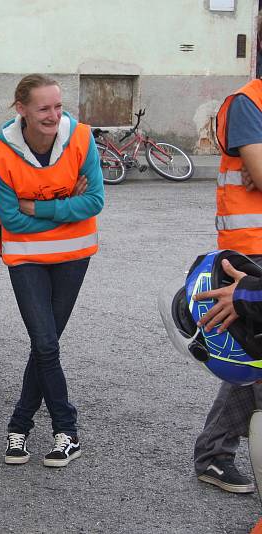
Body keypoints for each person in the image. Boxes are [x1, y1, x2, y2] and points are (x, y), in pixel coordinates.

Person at [0, 74, 104, 467]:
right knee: (46, 344)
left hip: (73, 258)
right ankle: (67, 430)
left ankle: (19, 429)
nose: (53, 115)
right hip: (27, 260)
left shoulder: (82, 139)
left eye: (58, 106)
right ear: (22, 110)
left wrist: (39, 208)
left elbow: (96, 201)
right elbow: (11, 220)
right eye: (43, 108)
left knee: (44, 345)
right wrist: (67, 208)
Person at [192, 69, 262, 494]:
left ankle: (215, 453)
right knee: (254, 361)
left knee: (255, 363)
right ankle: (215, 454)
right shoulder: (248, 102)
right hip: (252, 251)